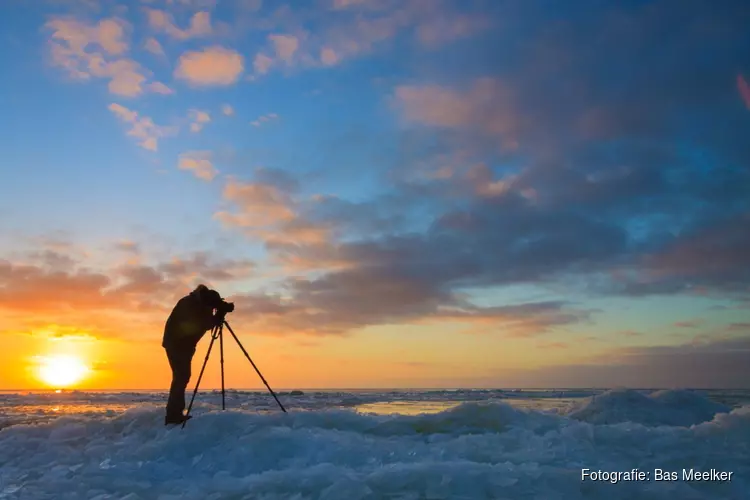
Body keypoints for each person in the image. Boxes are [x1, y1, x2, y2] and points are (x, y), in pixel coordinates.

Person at [162, 284, 223, 425]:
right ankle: (173, 415)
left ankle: (174, 413)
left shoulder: (198, 302)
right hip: (176, 345)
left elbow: (206, 322)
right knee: (181, 377)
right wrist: (218, 315)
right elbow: (203, 324)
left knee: (182, 377)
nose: (211, 310)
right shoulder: (188, 305)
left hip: (184, 345)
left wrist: (219, 311)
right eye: (211, 307)